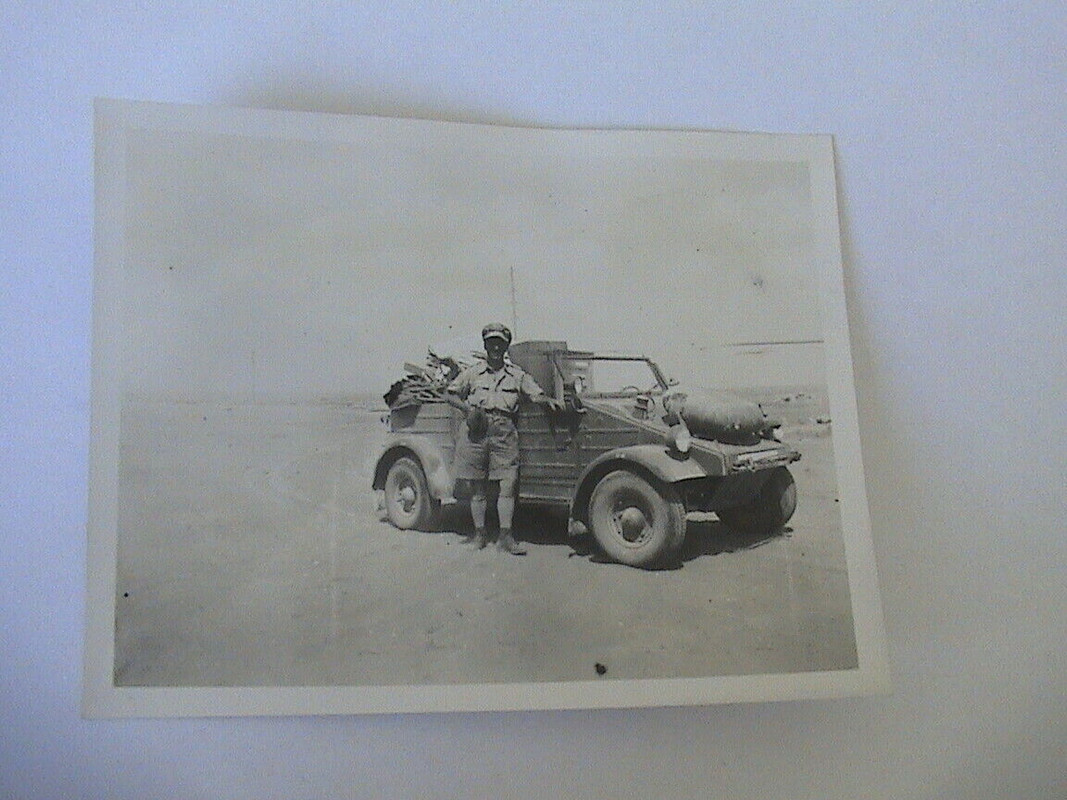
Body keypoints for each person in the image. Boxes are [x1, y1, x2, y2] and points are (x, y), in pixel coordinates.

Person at [446, 323, 563, 554]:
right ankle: (479, 535)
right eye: (491, 343)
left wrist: (549, 401)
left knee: (507, 485)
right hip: (476, 431)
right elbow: (449, 394)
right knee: (477, 487)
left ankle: (505, 537)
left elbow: (536, 394)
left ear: (506, 346)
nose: (495, 347)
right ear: (485, 346)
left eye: (500, 343)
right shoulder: (472, 373)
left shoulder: (517, 375)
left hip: (504, 431)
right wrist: (467, 410)